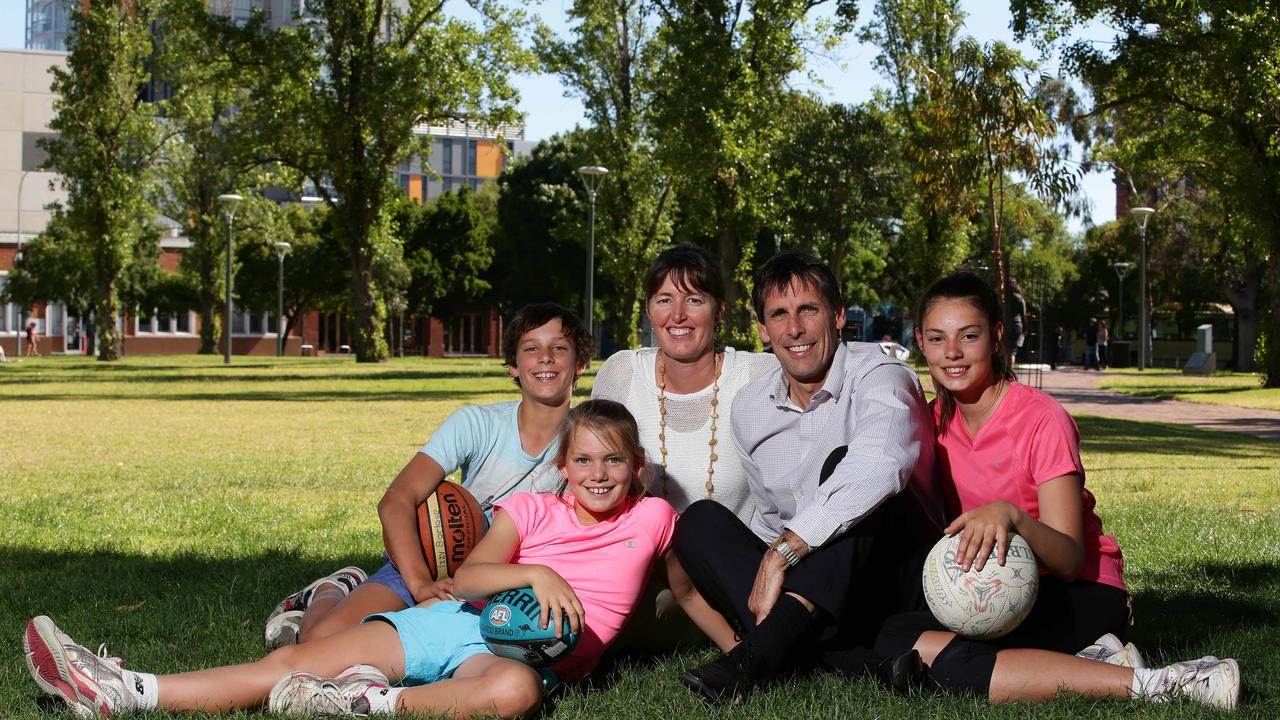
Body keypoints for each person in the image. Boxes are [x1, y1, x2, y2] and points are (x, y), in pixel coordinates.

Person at [23, 399, 678, 719]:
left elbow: (688, 581)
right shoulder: (534, 511)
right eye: (583, 460)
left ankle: (365, 702)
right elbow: (473, 576)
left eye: (613, 460)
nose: (599, 473)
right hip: (458, 619)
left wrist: (741, 645)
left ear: (636, 467)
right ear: (562, 468)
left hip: (520, 653)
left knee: (515, 693)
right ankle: (127, 689)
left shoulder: (653, 517)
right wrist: (538, 571)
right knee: (291, 661)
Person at [867, 270, 1240, 710]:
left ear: (997, 336)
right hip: (997, 589)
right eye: (936, 338)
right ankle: (1097, 659)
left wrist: (1014, 516)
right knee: (894, 634)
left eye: (969, 336)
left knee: (943, 659)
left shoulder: (1042, 419)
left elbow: (1069, 559)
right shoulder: (930, 424)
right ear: (920, 341)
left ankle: (1168, 683)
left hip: (1081, 591)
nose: (952, 353)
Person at [672, 250, 945, 703]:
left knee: (845, 469)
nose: (793, 330)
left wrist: (782, 555)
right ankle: (863, 662)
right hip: (818, 588)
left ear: (837, 316)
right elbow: (770, 514)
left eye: (808, 310)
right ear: (762, 329)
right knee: (699, 522)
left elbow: (879, 466)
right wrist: (763, 562)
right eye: (778, 315)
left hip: (890, 575)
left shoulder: (881, 375)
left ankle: (752, 658)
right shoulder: (750, 407)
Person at [264, 303, 594, 647]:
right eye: (531, 348)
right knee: (322, 641)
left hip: (506, 575)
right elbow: (396, 501)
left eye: (559, 347)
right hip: (437, 558)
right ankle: (328, 590)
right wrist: (421, 584)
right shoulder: (477, 424)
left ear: (580, 364)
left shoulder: (588, 442)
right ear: (513, 366)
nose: (545, 357)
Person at [591, 244, 777, 650]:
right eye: (664, 300)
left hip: (731, 572)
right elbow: (587, 473)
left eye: (694, 299)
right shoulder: (623, 372)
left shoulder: (759, 375)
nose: (678, 315)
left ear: (719, 308)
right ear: (648, 309)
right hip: (639, 567)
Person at [1005, 278, 1026, 363]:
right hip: (1016, 325)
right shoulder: (1019, 298)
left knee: (1004, 350)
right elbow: (1023, 315)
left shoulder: (1002, 298)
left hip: (1004, 324)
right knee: (1012, 351)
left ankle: (1002, 372)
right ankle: (1009, 372)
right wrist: (1025, 328)